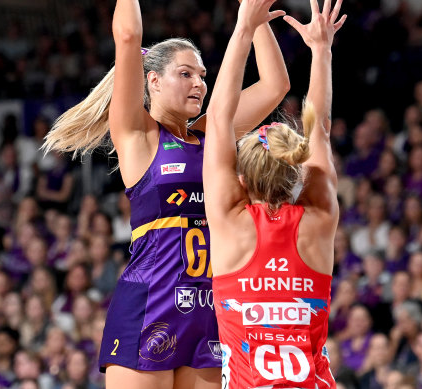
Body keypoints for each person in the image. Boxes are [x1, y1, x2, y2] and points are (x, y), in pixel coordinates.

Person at [43, 0, 290, 387]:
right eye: (186, 73)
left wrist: (253, 15)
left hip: (205, 307)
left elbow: (276, 86)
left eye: (203, 75)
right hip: (150, 302)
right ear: (153, 80)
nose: (200, 83)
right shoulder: (139, 134)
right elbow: (127, 36)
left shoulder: (213, 132)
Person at [204, 0, 346, 387]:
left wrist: (243, 27)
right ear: (299, 171)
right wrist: (321, 50)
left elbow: (217, 120)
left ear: (242, 180)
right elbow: (320, 129)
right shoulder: (319, 218)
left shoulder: (230, 223)